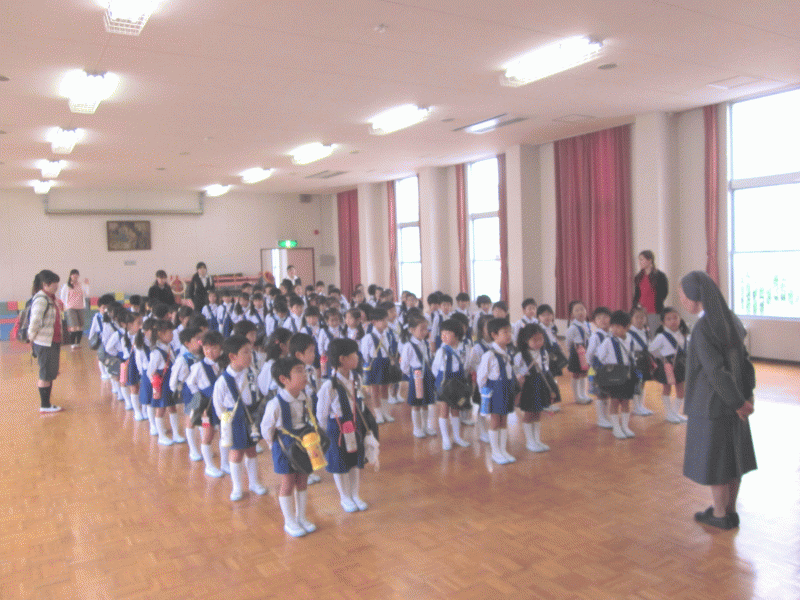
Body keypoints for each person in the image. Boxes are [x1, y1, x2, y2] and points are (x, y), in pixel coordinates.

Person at [679, 270, 756, 530]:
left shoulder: (703, 327)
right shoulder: (730, 318)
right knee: (733, 459)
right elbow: (745, 362)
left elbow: (715, 371)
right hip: (736, 401)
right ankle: (730, 511)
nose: (682, 299)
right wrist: (745, 397)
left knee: (717, 463)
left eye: (683, 293)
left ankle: (720, 514)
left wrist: (736, 402)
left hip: (712, 404)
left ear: (694, 295)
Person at [260, 357, 317, 537]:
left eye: (304, 370)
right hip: (283, 446)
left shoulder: (305, 398)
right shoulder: (275, 403)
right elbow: (266, 428)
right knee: (288, 482)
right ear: (284, 379)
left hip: (303, 443)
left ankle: (301, 517)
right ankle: (289, 521)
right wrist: (273, 445)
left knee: (302, 480)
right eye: (299, 371)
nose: (305, 374)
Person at [316, 338, 370, 513]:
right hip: (337, 429)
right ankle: (345, 497)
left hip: (354, 426)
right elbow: (321, 413)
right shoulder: (329, 386)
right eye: (354, 354)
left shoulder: (356, 378)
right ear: (342, 359)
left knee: (354, 462)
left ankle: (355, 494)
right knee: (340, 465)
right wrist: (325, 433)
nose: (358, 357)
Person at [213, 335, 268, 502]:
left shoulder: (252, 372)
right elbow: (218, 405)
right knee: (236, 453)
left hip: (252, 416)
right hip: (234, 419)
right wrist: (225, 422)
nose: (250, 356)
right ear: (232, 356)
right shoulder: (223, 380)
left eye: (251, 352)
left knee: (251, 450)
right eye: (245, 352)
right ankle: (237, 486)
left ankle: (254, 482)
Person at [476, 318, 517, 465]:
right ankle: (495, 452)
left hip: (506, 389)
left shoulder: (508, 352)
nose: (509, 335)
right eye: (505, 332)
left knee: (504, 420)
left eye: (510, 332)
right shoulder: (489, 355)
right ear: (494, 335)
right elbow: (481, 377)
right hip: (494, 391)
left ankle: (503, 449)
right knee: (495, 421)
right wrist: (485, 395)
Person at [185, 330, 225, 477]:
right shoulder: (198, 367)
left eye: (214, 348)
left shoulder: (224, 364)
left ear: (221, 347)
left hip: (222, 406)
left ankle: (225, 463)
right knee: (208, 434)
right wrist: (200, 402)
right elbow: (190, 383)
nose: (210, 352)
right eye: (206, 348)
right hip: (206, 408)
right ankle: (209, 466)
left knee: (224, 433)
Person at [595, 311, 638, 440]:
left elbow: (632, 356)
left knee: (625, 402)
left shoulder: (630, 339)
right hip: (614, 375)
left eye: (618, 326)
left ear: (627, 327)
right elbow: (599, 357)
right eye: (612, 326)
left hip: (628, 375)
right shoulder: (608, 341)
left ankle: (625, 426)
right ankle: (616, 428)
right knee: (614, 401)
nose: (614, 329)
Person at [431, 318, 471, 450]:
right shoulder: (441, 351)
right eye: (442, 333)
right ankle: (446, 439)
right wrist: (441, 384)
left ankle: (457, 437)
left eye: (447, 333)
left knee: (456, 410)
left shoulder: (464, 348)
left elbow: (467, 365)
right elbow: (435, 369)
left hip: (458, 381)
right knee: (444, 410)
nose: (444, 336)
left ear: (457, 334)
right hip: (444, 382)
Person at [28, 270, 64, 413]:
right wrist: (31, 339)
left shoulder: (51, 298)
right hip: (44, 343)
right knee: (45, 374)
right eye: (54, 283)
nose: (57, 286)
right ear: (45, 284)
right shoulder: (41, 299)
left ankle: (47, 403)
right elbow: (35, 321)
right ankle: (45, 405)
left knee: (49, 374)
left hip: (52, 342)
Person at [514, 323, 554, 452]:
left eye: (541, 339)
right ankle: (530, 441)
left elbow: (546, 369)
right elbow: (514, 370)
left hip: (540, 385)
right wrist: (518, 376)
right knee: (529, 413)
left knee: (537, 413)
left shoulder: (544, 353)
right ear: (526, 340)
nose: (538, 342)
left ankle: (537, 440)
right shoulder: (520, 355)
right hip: (528, 386)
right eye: (534, 340)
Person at [649, 307, 691, 424]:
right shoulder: (661, 336)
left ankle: (674, 413)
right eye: (668, 319)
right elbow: (651, 349)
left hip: (681, 365)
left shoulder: (683, 334)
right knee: (667, 389)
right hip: (668, 366)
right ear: (663, 322)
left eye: (675, 318)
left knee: (681, 391)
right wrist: (662, 358)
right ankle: (669, 414)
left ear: (680, 319)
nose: (673, 321)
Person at [400, 312, 436, 438]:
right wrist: (412, 376)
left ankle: (426, 426)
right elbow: (404, 366)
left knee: (426, 403)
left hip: (426, 375)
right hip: (416, 376)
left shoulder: (424, 343)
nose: (425, 332)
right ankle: (417, 428)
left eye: (426, 329)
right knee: (416, 404)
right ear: (412, 330)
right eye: (422, 329)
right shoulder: (408, 346)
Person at [360, 307, 393, 424]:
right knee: (375, 391)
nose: (385, 323)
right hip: (374, 365)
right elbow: (364, 354)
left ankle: (385, 412)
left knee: (385, 389)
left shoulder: (387, 334)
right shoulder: (368, 337)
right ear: (374, 322)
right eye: (382, 320)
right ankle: (378, 414)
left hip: (385, 363)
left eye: (386, 320)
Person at [632, 250, 669, 334]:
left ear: (650, 260)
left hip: (654, 311)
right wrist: (636, 306)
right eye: (639, 260)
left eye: (642, 259)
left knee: (653, 334)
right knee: (641, 334)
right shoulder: (638, 277)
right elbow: (637, 294)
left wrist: (657, 302)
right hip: (641, 311)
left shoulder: (660, 275)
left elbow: (664, 292)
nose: (639, 262)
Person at [565, 300, 592, 404]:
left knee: (584, 374)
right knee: (576, 374)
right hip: (576, 354)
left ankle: (583, 394)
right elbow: (568, 342)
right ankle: (577, 397)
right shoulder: (572, 328)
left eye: (582, 309)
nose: (580, 312)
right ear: (572, 314)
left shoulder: (588, 325)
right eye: (576, 310)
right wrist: (571, 353)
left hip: (586, 353)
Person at [59, 269, 90, 349]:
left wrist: (87, 285)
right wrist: (67, 305)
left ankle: (78, 343)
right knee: (73, 326)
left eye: (76, 274)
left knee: (80, 326)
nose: (75, 276)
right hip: (71, 308)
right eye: (73, 274)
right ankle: (73, 344)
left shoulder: (81, 285)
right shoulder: (67, 285)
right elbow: (62, 296)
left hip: (80, 307)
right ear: (70, 276)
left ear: (78, 276)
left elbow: (87, 294)